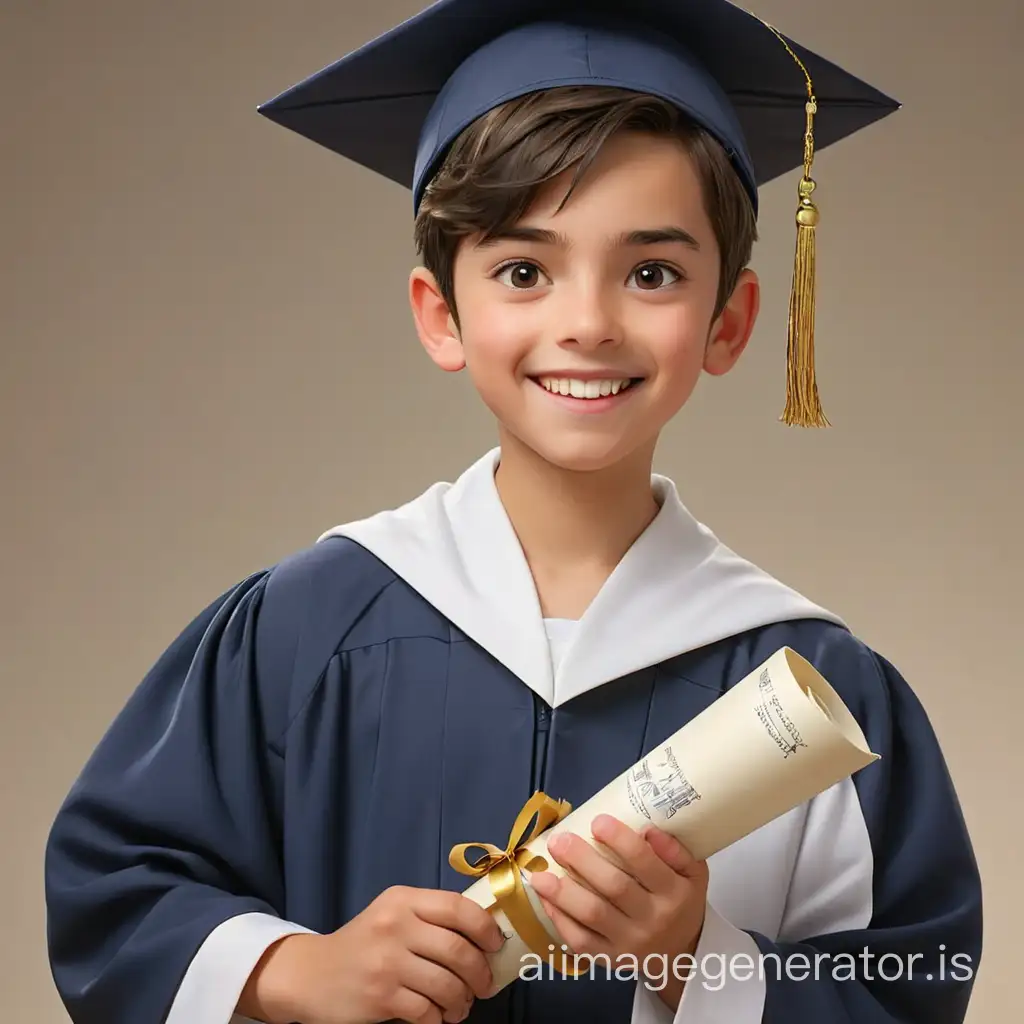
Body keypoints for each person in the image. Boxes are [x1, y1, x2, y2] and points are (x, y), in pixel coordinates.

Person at [43, 1, 983, 1023]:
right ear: (440, 313)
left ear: (730, 321)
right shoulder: (302, 631)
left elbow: (907, 988)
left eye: (652, 272)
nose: (586, 322)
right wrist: (291, 972)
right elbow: (112, 895)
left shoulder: (816, 694)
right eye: (524, 271)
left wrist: (693, 959)